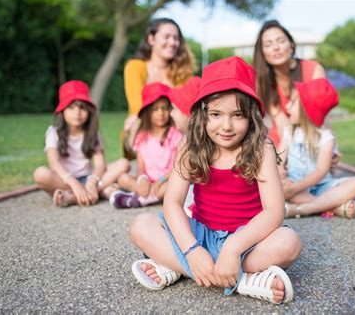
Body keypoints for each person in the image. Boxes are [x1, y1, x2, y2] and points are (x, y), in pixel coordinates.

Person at [128, 57, 302, 304]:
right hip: (200, 235)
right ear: (203, 114)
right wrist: (192, 249)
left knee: (289, 243)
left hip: (248, 239)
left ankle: (178, 267)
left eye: (237, 115)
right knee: (140, 225)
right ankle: (244, 280)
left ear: (251, 115)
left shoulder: (261, 148)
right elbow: (173, 203)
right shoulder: (190, 147)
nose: (226, 126)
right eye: (216, 114)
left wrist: (233, 248)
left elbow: (274, 212)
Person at [33, 80, 130, 207]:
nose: (77, 112)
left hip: (89, 178)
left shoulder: (93, 133)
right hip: (65, 180)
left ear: (89, 111)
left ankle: (73, 197)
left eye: (82, 107)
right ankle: (99, 192)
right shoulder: (53, 133)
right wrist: (74, 184)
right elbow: (54, 163)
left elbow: (100, 165)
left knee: (124, 163)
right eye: (71, 107)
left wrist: (91, 182)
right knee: (40, 174)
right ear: (63, 111)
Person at [279, 79, 355, 219]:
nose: (287, 106)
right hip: (293, 184)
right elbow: (278, 159)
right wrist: (279, 171)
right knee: (278, 188)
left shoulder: (326, 138)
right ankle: (335, 207)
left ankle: (303, 209)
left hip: (321, 187)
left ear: (307, 110)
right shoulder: (289, 132)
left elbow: (321, 171)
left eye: (293, 103)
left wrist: (293, 189)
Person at [123, 18, 195, 159]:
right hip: (143, 129)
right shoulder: (135, 66)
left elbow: (184, 108)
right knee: (134, 120)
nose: (173, 42)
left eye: (176, 38)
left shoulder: (183, 72)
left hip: (174, 133)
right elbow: (138, 107)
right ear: (151, 39)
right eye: (166, 37)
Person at [253, 19, 326, 148]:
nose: (276, 48)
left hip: (312, 137)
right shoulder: (263, 80)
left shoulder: (313, 69)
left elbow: (317, 117)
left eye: (281, 41)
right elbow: (282, 124)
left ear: (291, 44)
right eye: (268, 44)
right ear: (262, 53)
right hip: (281, 141)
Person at [111, 83, 182, 209]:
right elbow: (140, 167)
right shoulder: (142, 136)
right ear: (148, 112)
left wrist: (160, 181)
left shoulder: (175, 134)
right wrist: (142, 179)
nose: (161, 113)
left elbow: (178, 166)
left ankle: (139, 200)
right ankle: (144, 193)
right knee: (122, 178)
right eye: (155, 109)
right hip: (148, 180)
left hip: (167, 179)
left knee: (172, 187)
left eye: (165, 108)